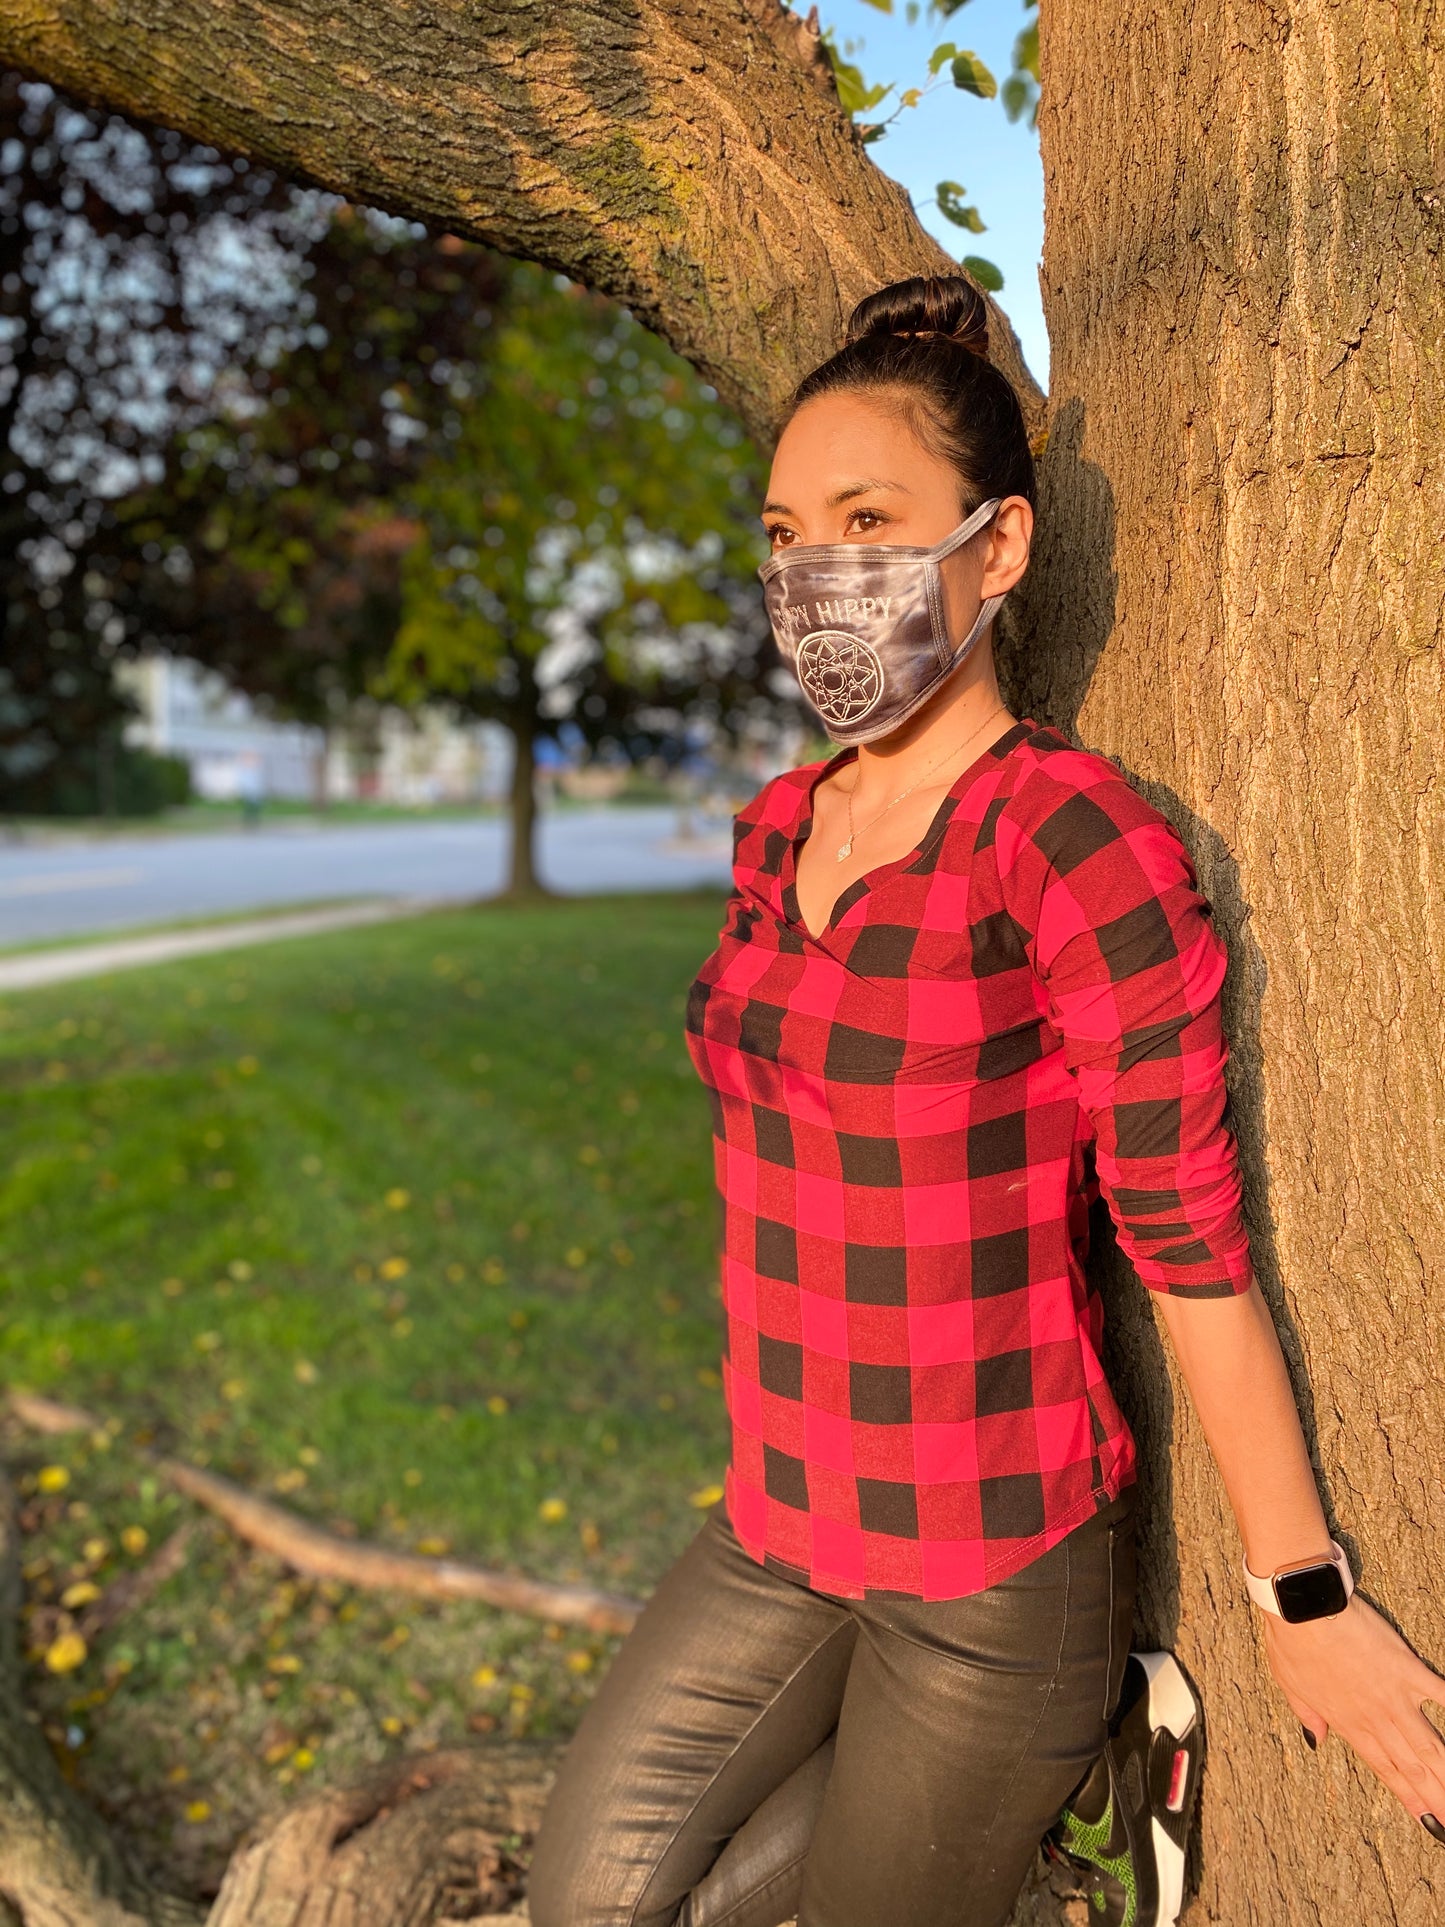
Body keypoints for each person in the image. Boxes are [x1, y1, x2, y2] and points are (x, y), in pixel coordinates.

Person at [527, 276, 1445, 1927]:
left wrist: (1301, 1594)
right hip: (781, 1516)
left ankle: (1083, 1756)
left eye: (868, 521)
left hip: (989, 1565)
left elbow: (1184, 1241)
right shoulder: (774, 827)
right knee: (582, 1905)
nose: (818, 577)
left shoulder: (1067, 837)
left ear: (997, 546)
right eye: (787, 533)